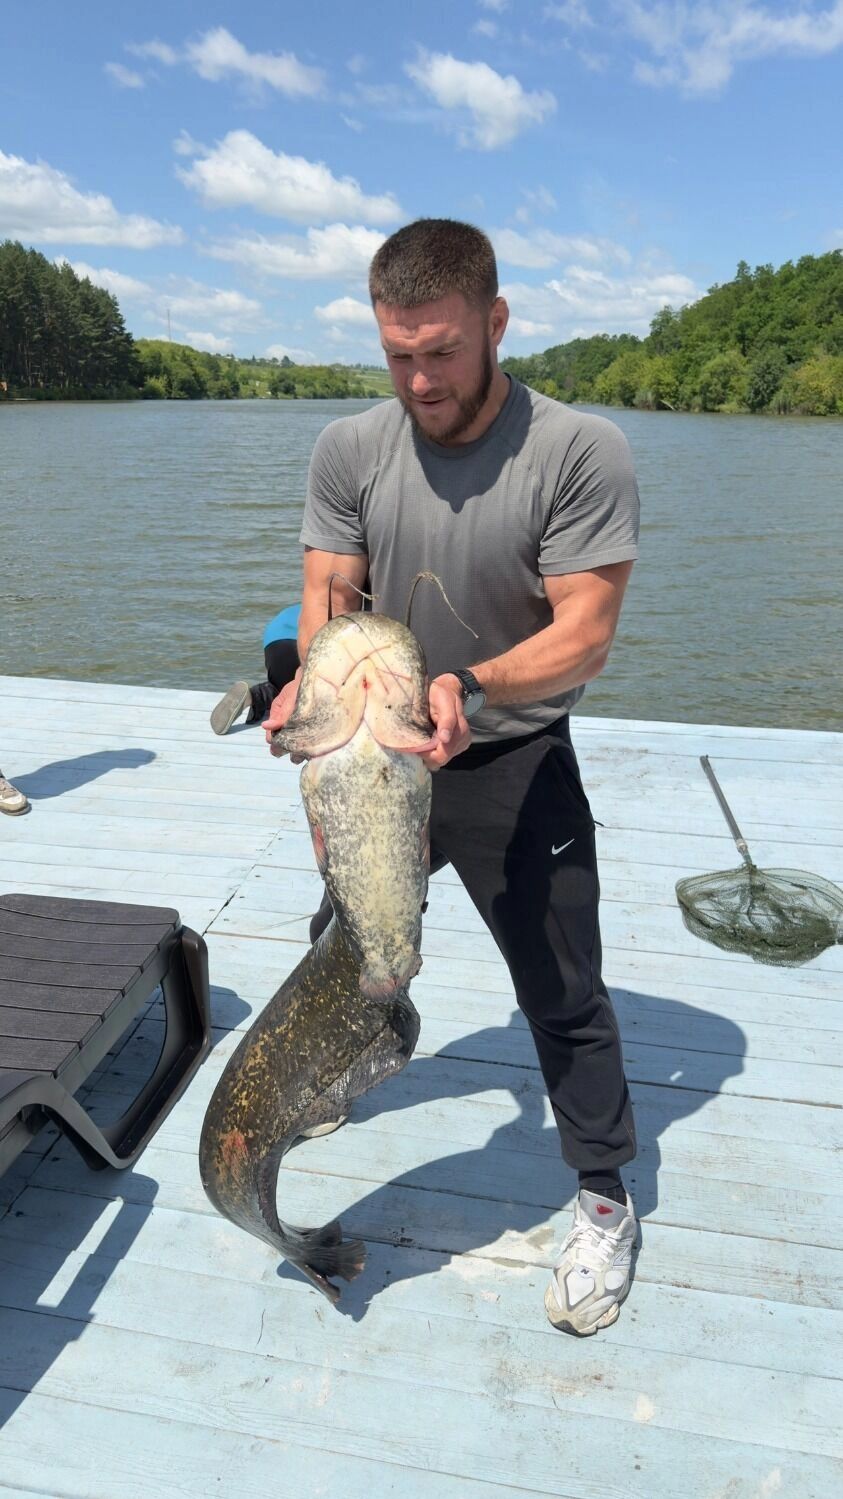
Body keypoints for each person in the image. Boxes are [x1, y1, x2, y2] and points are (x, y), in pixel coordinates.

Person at [265, 218, 640, 1337]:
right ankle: (344, 1064)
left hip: (508, 749)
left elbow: (587, 631)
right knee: (346, 933)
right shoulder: (348, 448)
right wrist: (310, 695)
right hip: (372, 747)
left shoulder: (580, 449)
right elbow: (329, 588)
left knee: (561, 984)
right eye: (398, 355)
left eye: (441, 350)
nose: (420, 378)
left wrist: (467, 688)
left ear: (496, 323)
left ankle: (607, 1195)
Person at [210, 604, 301, 735]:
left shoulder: (314, 597)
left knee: (284, 687)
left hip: (274, 641)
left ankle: (256, 695)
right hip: (301, 643)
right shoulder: (336, 606)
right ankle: (267, 694)